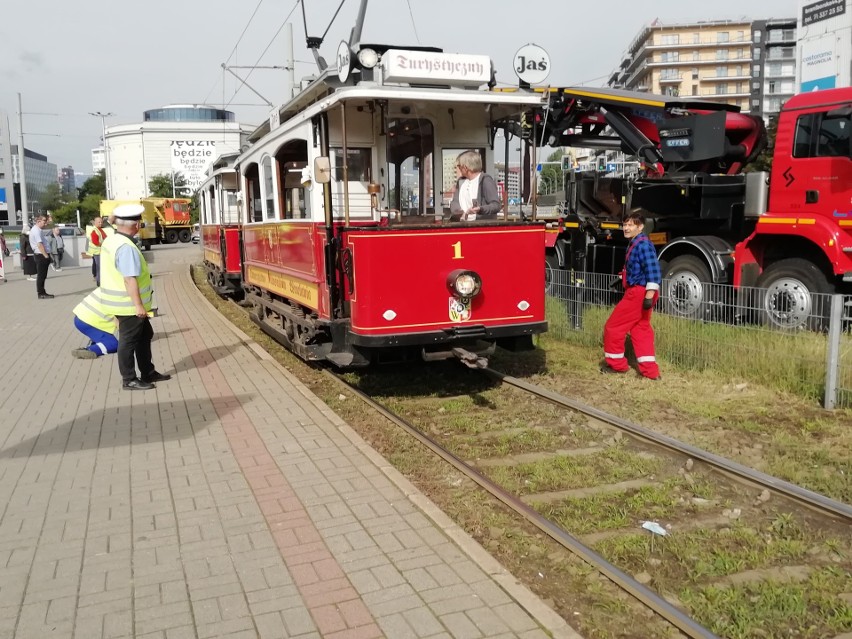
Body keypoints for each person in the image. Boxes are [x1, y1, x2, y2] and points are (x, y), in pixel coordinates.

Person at [100, 203, 171, 391]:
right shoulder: (126, 247)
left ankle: (148, 371)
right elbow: (129, 279)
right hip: (128, 305)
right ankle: (129, 379)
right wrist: (138, 305)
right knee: (128, 341)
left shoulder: (111, 239)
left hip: (121, 303)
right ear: (136, 225)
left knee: (145, 335)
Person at [601, 211, 662, 380]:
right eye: (625, 224)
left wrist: (649, 295)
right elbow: (639, 268)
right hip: (640, 290)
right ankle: (650, 372)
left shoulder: (642, 244)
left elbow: (654, 271)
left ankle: (617, 365)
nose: (626, 228)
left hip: (638, 293)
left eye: (630, 225)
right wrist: (623, 277)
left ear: (640, 227)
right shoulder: (637, 242)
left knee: (613, 327)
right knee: (640, 329)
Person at [450, 150, 501, 220]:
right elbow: (455, 202)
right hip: (462, 225)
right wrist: (461, 213)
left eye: (459, 166)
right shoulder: (461, 182)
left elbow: (496, 205)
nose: (458, 168)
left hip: (480, 227)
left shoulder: (485, 180)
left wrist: (480, 209)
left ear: (466, 167)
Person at [71, 288, 118, 358]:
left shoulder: (111, 283)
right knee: (113, 344)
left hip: (82, 317)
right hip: (89, 322)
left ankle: (95, 342)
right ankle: (90, 349)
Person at [29, 215, 54, 299]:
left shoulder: (38, 230)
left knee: (42, 275)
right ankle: (41, 293)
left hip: (41, 255)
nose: (46, 223)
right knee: (41, 275)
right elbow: (39, 245)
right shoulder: (36, 231)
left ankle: (42, 292)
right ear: (38, 221)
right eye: (44, 221)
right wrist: (46, 256)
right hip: (41, 255)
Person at [88, 217, 107, 285]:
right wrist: (103, 244)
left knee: (100, 266)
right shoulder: (94, 230)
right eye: (99, 222)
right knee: (99, 267)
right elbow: (95, 242)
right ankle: (99, 281)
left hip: (100, 251)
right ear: (95, 222)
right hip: (97, 251)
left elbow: (104, 237)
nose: (101, 223)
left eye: (101, 222)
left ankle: (100, 280)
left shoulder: (99, 229)